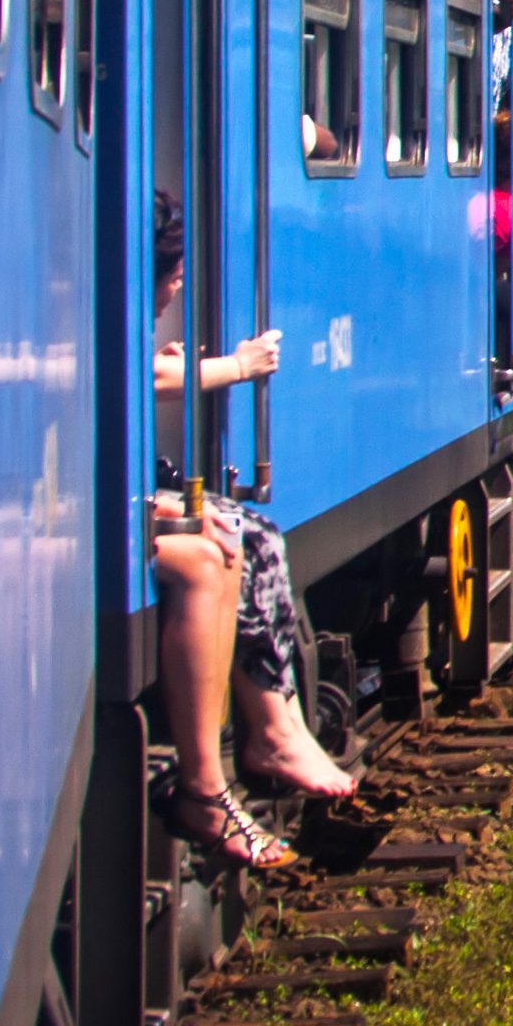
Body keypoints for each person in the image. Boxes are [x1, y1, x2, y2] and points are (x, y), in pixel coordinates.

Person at [146, 198, 355, 871]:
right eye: (174, 272)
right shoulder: (108, 304)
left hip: (133, 498)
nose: (178, 285)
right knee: (226, 546)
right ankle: (234, 764)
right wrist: (239, 365)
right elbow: (147, 376)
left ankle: (277, 723)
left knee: (256, 537)